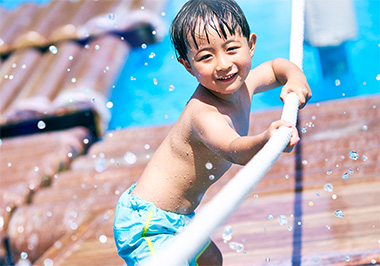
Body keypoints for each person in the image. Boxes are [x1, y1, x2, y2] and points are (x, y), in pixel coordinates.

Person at [113, 0, 312, 265]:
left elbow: (277, 67)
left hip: (180, 217)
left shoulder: (245, 83)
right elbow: (234, 148)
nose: (222, 64)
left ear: (251, 45)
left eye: (231, 49)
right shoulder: (204, 114)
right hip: (149, 223)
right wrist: (266, 138)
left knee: (211, 260)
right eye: (206, 56)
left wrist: (295, 78)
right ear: (187, 66)